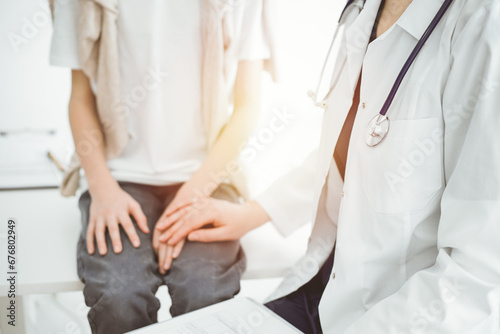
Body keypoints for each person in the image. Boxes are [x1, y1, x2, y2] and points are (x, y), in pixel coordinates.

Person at [156, 0, 500, 332]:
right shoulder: (362, 10)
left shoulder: (483, 25)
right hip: (318, 289)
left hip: (396, 314)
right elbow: (353, 150)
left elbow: (478, 272)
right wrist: (252, 213)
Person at [49, 0, 276, 333]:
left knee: (207, 295)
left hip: (209, 176)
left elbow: (247, 105)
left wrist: (192, 196)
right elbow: (80, 97)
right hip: (117, 180)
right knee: (117, 300)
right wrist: (101, 187)